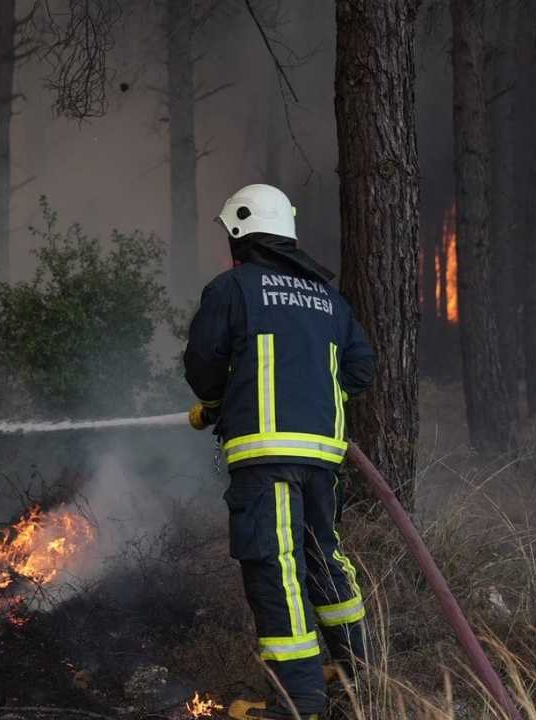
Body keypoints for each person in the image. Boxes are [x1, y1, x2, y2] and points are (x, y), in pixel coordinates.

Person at [183, 184, 375, 719]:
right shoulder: (329, 300)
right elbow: (359, 370)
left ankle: (299, 702)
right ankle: (362, 678)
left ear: (242, 230)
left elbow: (203, 367)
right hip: (320, 456)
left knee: (274, 566)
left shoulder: (233, 288)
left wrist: (223, 401)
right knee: (322, 558)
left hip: (265, 456)